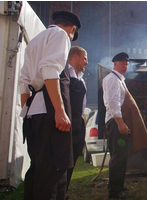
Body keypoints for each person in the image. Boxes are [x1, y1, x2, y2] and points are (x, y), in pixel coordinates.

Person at [18, 11, 81, 200]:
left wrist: (29, 110)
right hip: (50, 113)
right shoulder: (61, 35)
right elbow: (50, 70)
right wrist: (60, 112)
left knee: (37, 168)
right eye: (73, 34)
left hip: (33, 114)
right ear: (72, 29)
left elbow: (24, 81)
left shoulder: (35, 40)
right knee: (53, 169)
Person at [102, 52, 147, 199]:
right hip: (116, 123)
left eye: (126, 63)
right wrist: (120, 123)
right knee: (118, 157)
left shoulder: (118, 79)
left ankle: (117, 185)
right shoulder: (112, 79)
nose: (125, 66)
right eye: (122, 63)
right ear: (115, 63)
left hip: (116, 123)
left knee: (120, 157)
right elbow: (113, 103)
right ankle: (115, 192)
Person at [66, 46, 88, 190]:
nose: (86, 62)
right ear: (75, 56)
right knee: (63, 161)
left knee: (72, 161)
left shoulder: (81, 79)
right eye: (84, 58)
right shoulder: (64, 74)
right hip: (66, 124)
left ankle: (63, 191)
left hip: (78, 124)